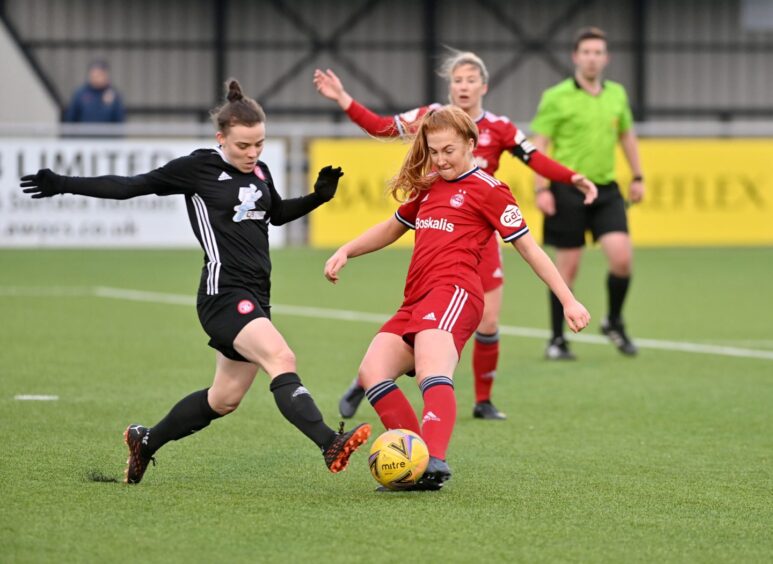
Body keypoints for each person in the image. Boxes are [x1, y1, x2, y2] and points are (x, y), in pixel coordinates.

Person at [21, 79, 371, 484]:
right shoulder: (197, 168)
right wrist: (63, 184)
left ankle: (145, 440)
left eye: (259, 144)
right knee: (282, 359)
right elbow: (130, 187)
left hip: (256, 296)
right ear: (221, 137)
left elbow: (273, 214)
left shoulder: (260, 170)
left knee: (223, 400)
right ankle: (330, 443)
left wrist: (318, 197)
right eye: (243, 145)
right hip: (223, 295)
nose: (252, 153)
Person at [314, 51, 597, 421]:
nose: (463, 86)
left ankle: (482, 400)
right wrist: (343, 99)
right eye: (457, 80)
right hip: (441, 236)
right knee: (423, 323)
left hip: (481, 235)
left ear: (484, 86)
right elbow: (382, 127)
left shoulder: (499, 127)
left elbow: (535, 159)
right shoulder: (431, 118)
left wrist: (570, 176)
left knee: (488, 321)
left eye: (469, 80)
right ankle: (375, 377)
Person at [323, 106, 591, 489]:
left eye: (448, 150)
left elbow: (530, 249)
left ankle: (434, 459)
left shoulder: (490, 190)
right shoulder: (430, 185)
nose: (440, 159)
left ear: (470, 143)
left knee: (433, 367)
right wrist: (346, 250)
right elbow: (392, 227)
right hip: (415, 298)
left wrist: (569, 300)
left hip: (456, 293)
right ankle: (412, 461)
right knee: (372, 372)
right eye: (433, 151)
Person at [530, 27, 644, 360]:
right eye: (587, 52)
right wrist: (542, 188)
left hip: (606, 188)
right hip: (568, 189)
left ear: (605, 58)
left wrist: (637, 175)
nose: (592, 58)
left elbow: (627, 136)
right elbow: (540, 144)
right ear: (576, 57)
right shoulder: (556, 96)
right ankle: (557, 339)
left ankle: (613, 320)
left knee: (622, 259)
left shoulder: (616, 95)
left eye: (598, 52)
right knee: (567, 268)